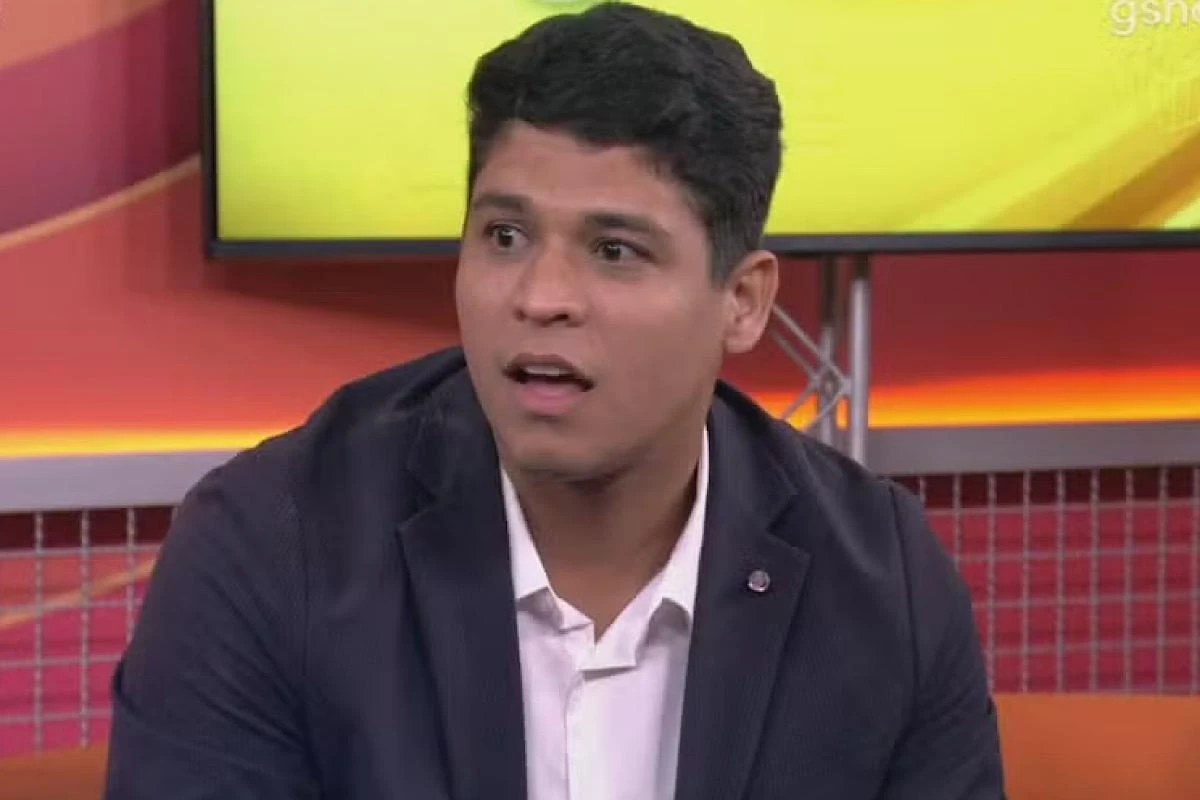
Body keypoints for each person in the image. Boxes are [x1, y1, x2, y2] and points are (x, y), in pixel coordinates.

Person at [103, 3, 1004, 798]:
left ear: (742, 301)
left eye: (614, 251)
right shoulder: (277, 544)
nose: (539, 297)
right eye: (505, 236)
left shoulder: (880, 583)